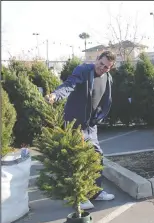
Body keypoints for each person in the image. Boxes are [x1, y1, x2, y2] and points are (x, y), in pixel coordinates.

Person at [45, 51, 116, 209]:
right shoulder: (83, 71)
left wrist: (99, 117)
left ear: (110, 68)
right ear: (96, 59)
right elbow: (69, 85)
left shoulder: (107, 78)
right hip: (75, 124)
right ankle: (80, 196)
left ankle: (95, 192)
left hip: (91, 126)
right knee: (78, 160)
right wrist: (56, 96)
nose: (102, 68)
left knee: (97, 157)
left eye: (106, 67)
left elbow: (106, 100)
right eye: (101, 63)